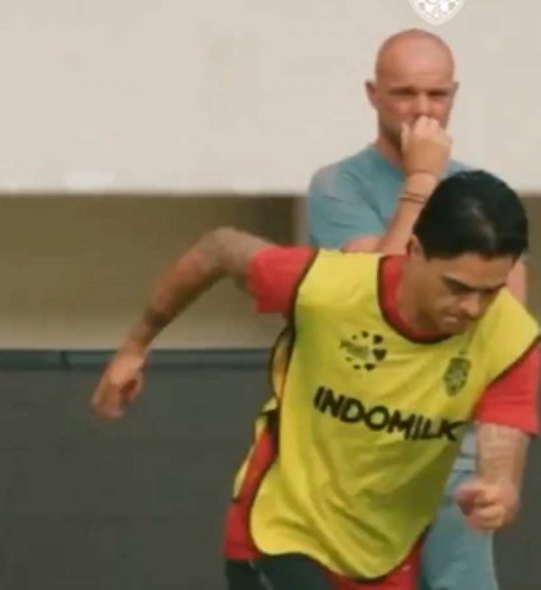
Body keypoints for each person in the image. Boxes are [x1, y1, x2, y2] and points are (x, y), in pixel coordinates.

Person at [91, 169, 538, 589]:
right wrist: (136, 345)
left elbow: (506, 428)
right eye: (457, 287)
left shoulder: (512, 337)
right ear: (416, 251)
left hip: (383, 560)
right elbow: (220, 248)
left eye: (490, 292)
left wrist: (500, 486)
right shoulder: (326, 288)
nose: (472, 308)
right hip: (280, 533)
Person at [307, 29, 528, 589]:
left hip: (451, 443)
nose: (422, 110)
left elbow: (509, 340)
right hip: (362, 451)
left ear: (455, 95)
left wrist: (499, 473)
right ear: (373, 94)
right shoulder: (339, 185)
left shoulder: (480, 193)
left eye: (437, 94)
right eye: (404, 93)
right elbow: (372, 292)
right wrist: (422, 178)